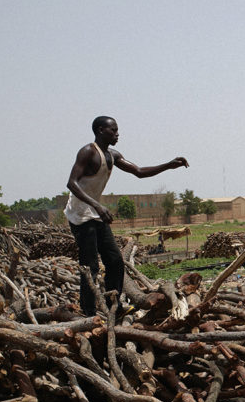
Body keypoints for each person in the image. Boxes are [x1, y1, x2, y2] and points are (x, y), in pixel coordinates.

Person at [65, 116, 188, 316]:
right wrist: (98, 205)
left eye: (117, 130)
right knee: (90, 265)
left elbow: (139, 171)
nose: (117, 134)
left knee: (114, 260)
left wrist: (168, 165)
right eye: (113, 130)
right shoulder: (88, 152)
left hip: (96, 214)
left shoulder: (112, 155)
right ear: (100, 130)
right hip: (80, 214)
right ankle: (87, 311)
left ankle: (113, 305)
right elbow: (72, 183)